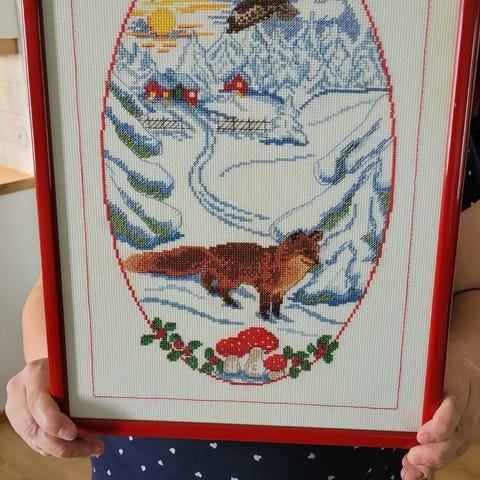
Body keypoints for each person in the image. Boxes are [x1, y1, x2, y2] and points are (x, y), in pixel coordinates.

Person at [5, 73, 480, 480]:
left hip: (359, 464)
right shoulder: (79, 103)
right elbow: (57, 288)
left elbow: (470, 287)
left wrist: (466, 372)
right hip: (140, 462)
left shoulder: (435, 100)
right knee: (228, 277)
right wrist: (52, 372)